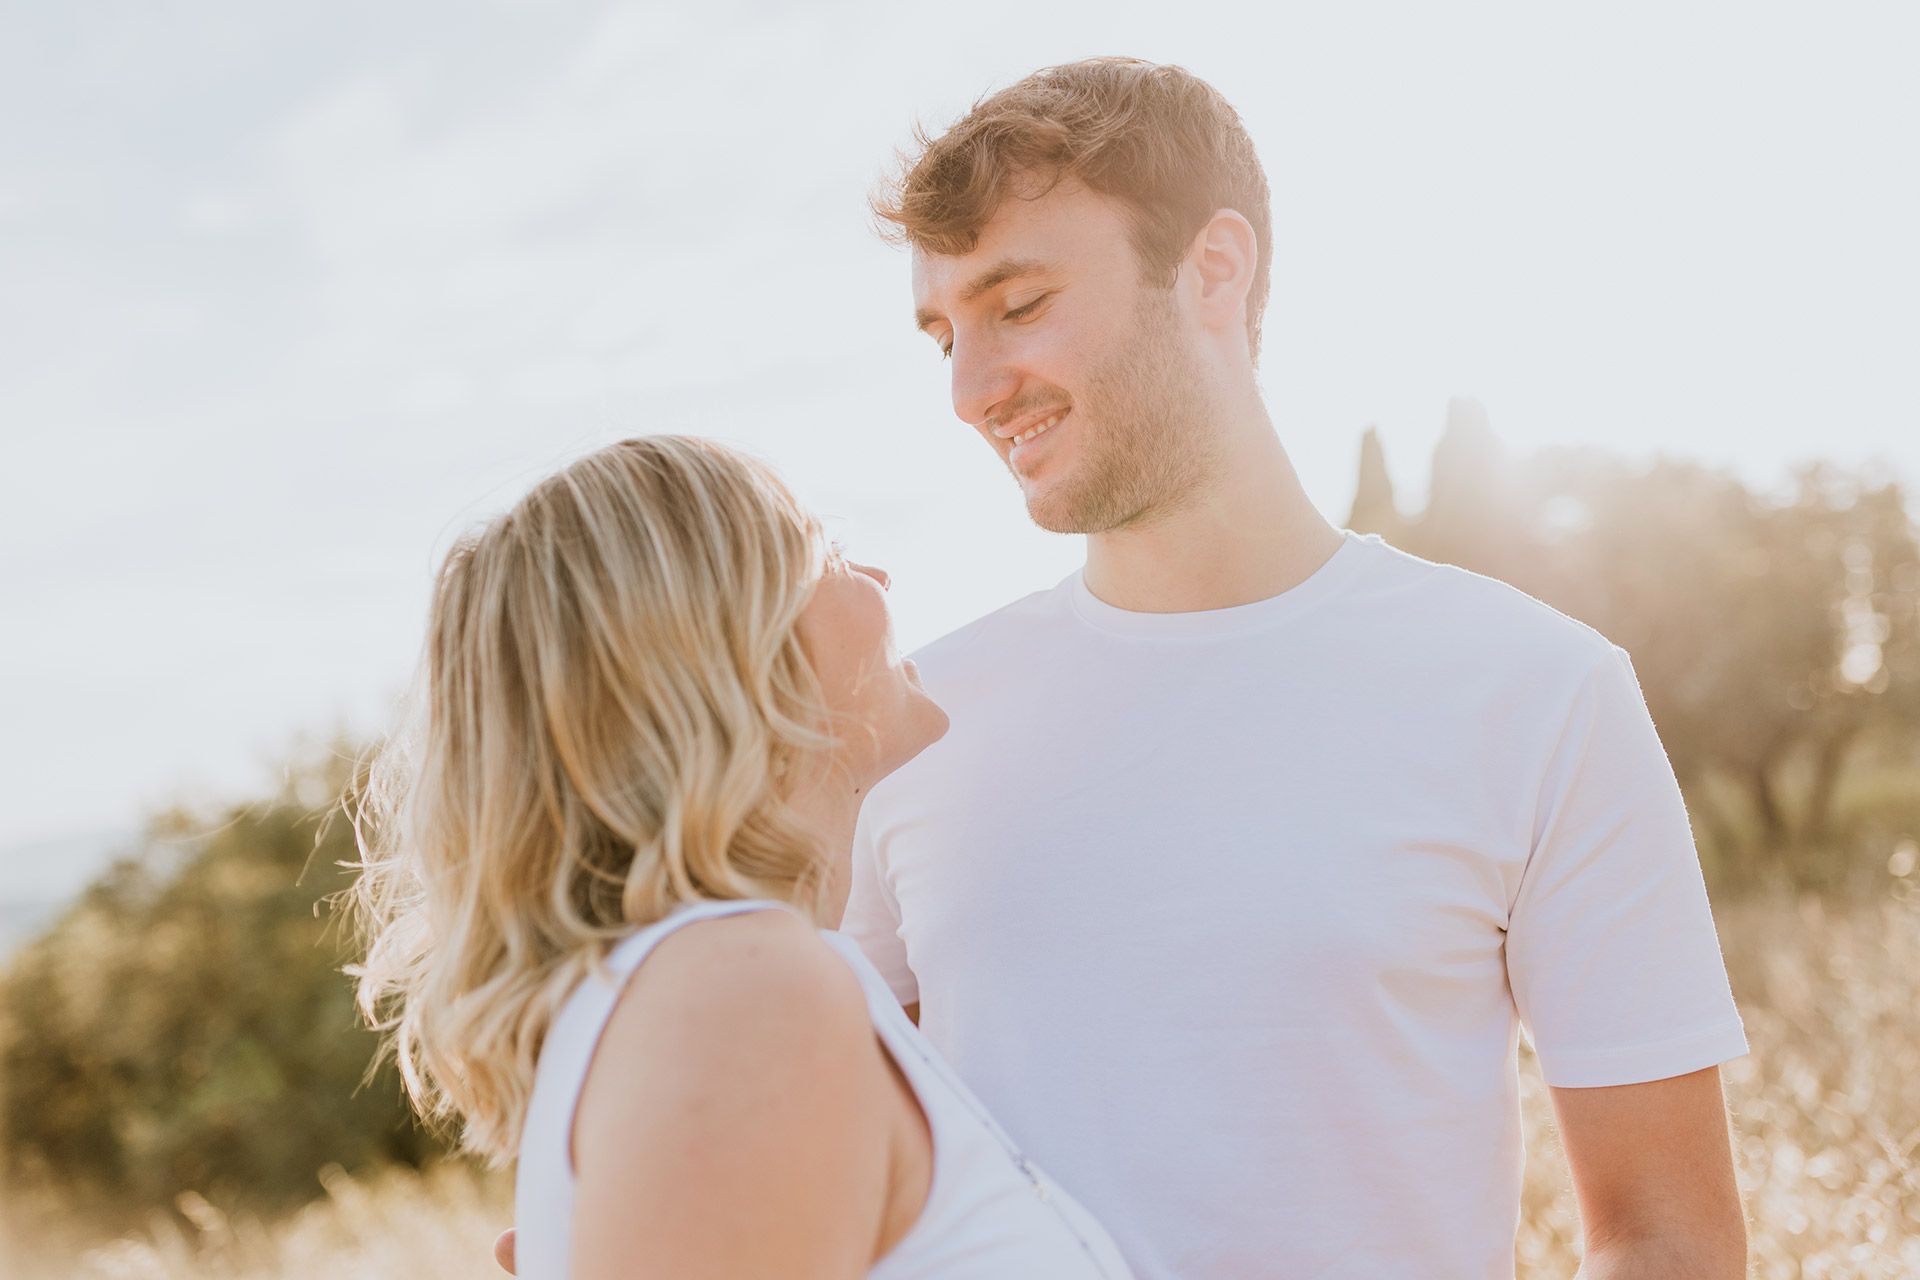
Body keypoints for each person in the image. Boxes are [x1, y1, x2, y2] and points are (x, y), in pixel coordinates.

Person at [842, 57, 1751, 1278]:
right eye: (943, 333)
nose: (968, 388)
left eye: (1018, 304)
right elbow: (824, 1181)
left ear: (1215, 269)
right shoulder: (910, 728)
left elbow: (1666, 1233)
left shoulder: (1539, 694)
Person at [352, 436, 1134, 1279]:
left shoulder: (722, 988)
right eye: (826, 552)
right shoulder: (742, 993)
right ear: (725, 651)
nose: (878, 580)